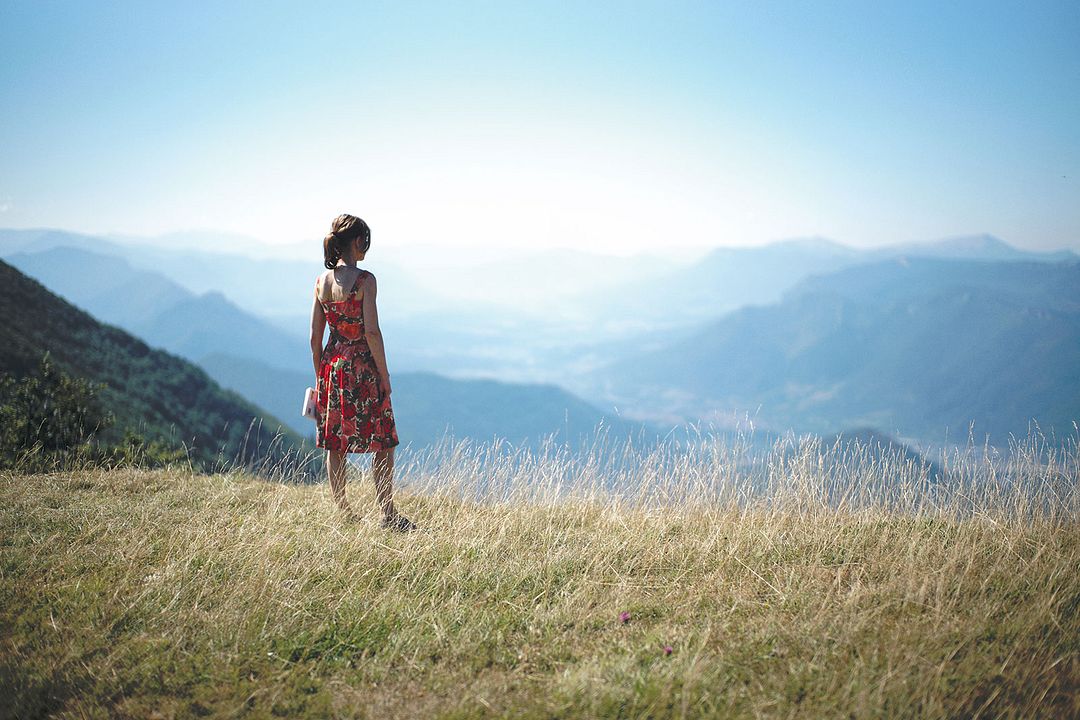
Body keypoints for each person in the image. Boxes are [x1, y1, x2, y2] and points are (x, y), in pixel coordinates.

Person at [310, 213, 416, 531]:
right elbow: (372, 333)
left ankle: (343, 513)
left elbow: (315, 338)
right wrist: (384, 375)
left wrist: (320, 377)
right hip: (362, 367)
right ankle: (387, 513)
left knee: (335, 445)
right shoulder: (365, 281)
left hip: (331, 366)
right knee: (383, 442)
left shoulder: (320, 283)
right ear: (358, 242)